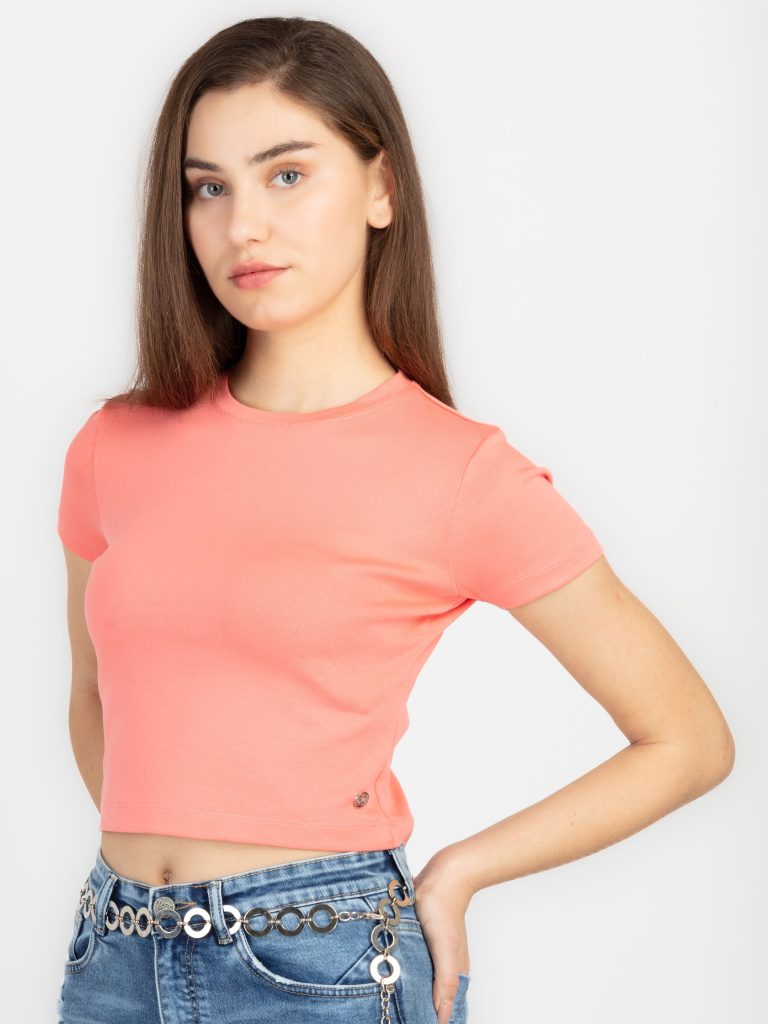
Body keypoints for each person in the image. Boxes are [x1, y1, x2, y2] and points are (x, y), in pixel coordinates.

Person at [55, 16, 735, 1024]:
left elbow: (687, 739)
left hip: (319, 962)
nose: (244, 227)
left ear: (381, 189)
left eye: (288, 175)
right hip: (114, 956)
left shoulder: (459, 473)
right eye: (209, 187)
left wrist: (460, 871)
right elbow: (92, 695)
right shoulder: (113, 444)